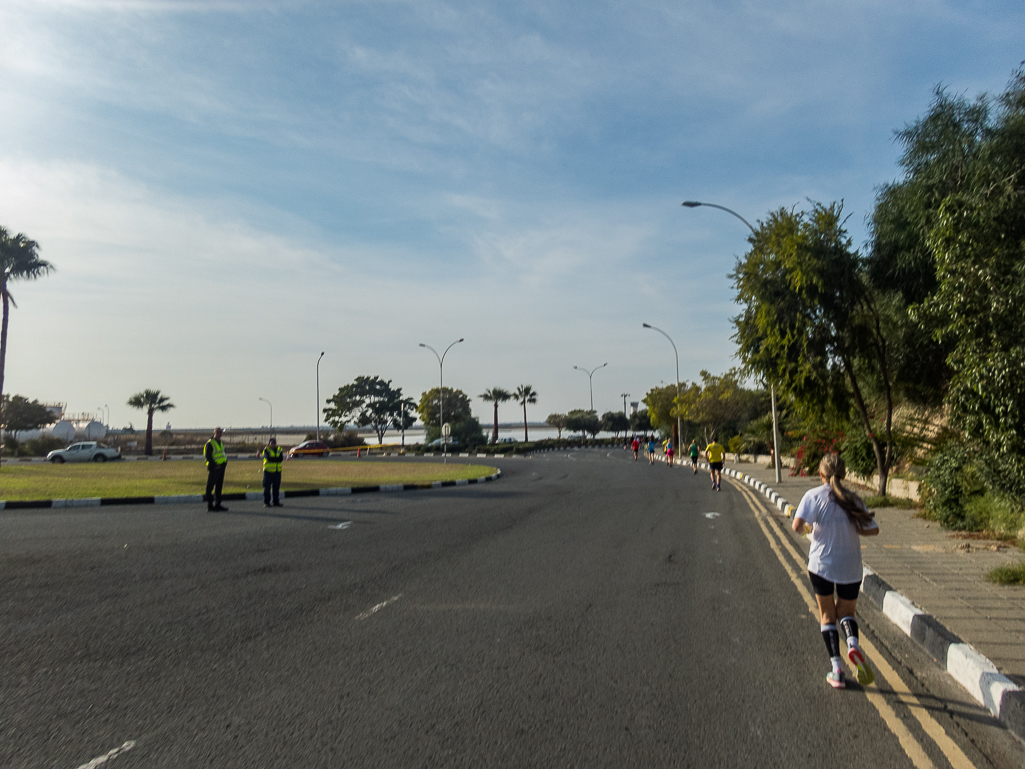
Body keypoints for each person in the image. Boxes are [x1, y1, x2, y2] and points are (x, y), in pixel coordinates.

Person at [792, 453, 879, 689]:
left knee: (828, 616)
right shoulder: (854, 500)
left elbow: (797, 526)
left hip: (822, 564)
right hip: (851, 564)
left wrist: (810, 530)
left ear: (821, 474)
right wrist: (850, 528)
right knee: (846, 613)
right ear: (844, 474)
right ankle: (852, 644)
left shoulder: (813, 495)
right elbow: (873, 529)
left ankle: (837, 669)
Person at [204, 427, 228, 512]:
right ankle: (210, 505)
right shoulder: (210, 443)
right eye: (217, 432)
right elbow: (208, 456)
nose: (219, 434)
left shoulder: (220, 442)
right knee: (210, 487)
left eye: (220, 432)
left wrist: (225, 463)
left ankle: (218, 504)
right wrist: (214, 466)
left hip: (221, 468)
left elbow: (222, 454)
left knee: (219, 487)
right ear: (214, 433)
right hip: (214, 468)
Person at [261, 437, 284, 508]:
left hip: (277, 471)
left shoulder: (279, 449)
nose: (273, 444)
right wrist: (276, 459)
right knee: (267, 487)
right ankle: (266, 502)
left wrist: (274, 459)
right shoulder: (266, 450)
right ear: (269, 444)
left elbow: (281, 459)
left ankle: (276, 501)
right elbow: (268, 458)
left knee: (276, 487)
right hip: (268, 471)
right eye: (272, 443)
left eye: (274, 443)